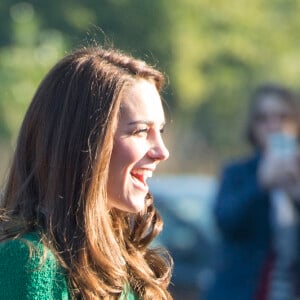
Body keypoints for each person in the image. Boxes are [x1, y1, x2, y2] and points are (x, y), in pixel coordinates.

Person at [0, 46, 173, 299]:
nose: (162, 151)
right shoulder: (30, 263)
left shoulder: (130, 264)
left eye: (161, 131)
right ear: (83, 143)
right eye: (140, 131)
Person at [206, 84, 300, 300]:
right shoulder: (238, 173)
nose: (273, 126)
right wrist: (260, 184)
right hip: (243, 291)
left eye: (283, 117)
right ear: (253, 126)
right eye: (263, 118)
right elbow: (225, 221)